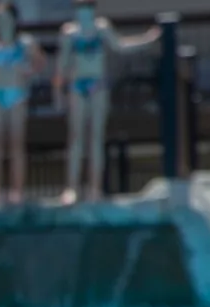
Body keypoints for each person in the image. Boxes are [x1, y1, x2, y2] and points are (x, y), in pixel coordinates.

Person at [53, 0, 162, 204]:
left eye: (87, 8)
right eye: (80, 8)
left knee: (96, 138)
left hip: (97, 85)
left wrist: (147, 39)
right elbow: (62, 65)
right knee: (76, 138)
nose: (84, 13)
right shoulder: (69, 33)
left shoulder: (101, 28)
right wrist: (58, 94)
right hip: (78, 86)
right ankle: (72, 188)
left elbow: (120, 46)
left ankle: (95, 188)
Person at [0, 1, 45, 204]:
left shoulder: (24, 43)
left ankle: (17, 190)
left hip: (17, 95)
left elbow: (40, 62)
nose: (1, 23)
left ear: (14, 20)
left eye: (4, 19)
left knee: (16, 144)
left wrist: (29, 72)